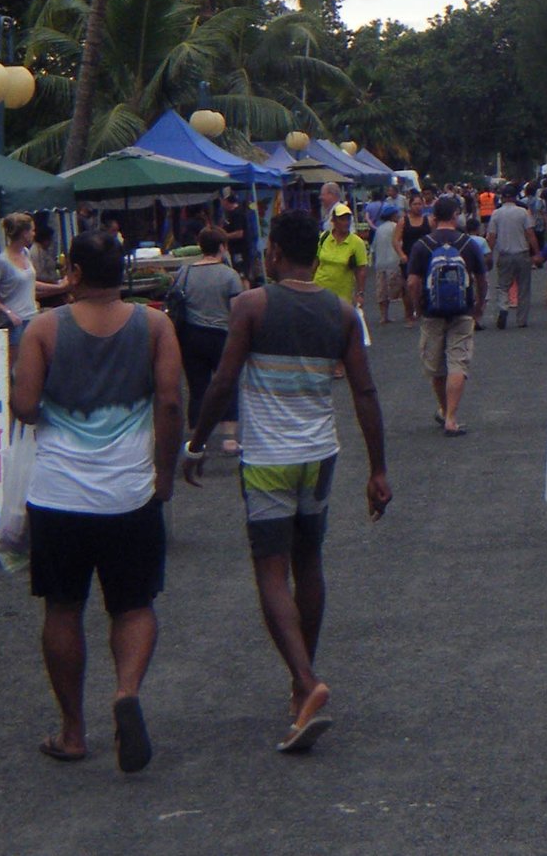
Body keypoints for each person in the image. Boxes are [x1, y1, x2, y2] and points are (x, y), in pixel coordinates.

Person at [181, 211, 391, 755]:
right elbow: (364, 393)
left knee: (271, 573)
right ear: (317, 257)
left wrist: (197, 440)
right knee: (309, 562)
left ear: (273, 252)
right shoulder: (341, 312)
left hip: (269, 457)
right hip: (320, 455)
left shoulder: (252, 306)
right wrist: (378, 470)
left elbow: (224, 379)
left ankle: (304, 680)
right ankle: (303, 684)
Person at [12, 228, 184, 772]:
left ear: (76, 275)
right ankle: (126, 692)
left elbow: (25, 406)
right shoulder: (156, 326)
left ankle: (72, 732)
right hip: (129, 494)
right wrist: (164, 473)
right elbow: (170, 402)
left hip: (57, 495)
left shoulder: (44, 328)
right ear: (123, 274)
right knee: (134, 605)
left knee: (63, 608)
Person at [407, 194, 488, 437]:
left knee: (436, 366)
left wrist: (417, 307)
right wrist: (479, 304)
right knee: (457, 362)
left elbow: (412, 282)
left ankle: (443, 408)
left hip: (432, 312)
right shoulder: (468, 243)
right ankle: (452, 418)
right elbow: (482, 279)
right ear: (455, 216)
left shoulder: (423, 245)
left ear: (433, 217)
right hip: (462, 311)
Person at [166, 227, 245, 442]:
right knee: (227, 384)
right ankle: (229, 438)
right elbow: (237, 311)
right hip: (221, 336)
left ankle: (196, 439)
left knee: (197, 387)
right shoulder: (230, 275)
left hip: (190, 336)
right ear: (222, 247)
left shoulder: (185, 272)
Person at [0, 212, 52, 345]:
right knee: (15, 362)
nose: (34, 234)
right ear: (24, 233)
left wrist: (59, 287)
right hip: (13, 321)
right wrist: (7, 311)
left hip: (31, 316)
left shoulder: (25, 253)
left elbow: (30, 282)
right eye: (32, 230)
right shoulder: (2, 261)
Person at [487, 187, 541, 330]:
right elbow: (530, 233)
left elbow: (492, 236)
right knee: (523, 287)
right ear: (515, 198)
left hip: (504, 254)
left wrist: (489, 254)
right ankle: (521, 320)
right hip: (522, 253)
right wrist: (536, 252)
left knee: (503, 285)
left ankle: (504, 307)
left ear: (502, 198)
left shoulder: (496, 214)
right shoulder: (523, 212)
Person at [313, 205, 370, 308]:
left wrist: (360, 293)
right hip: (320, 289)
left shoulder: (357, 243)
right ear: (334, 221)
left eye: (347, 220)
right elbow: (315, 262)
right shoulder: (324, 237)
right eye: (342, 219)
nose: (345, 223)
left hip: (342, 294)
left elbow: (361, 270)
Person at [369, 203, 409, 326]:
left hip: (380, 263)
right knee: (402, 289)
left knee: (382, 291)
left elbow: (373, 247)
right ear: (393, 215)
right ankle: (408, 313)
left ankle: (383, 316)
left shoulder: (379, 229)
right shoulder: (396, 227)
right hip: (394, 262)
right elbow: (400, 243)